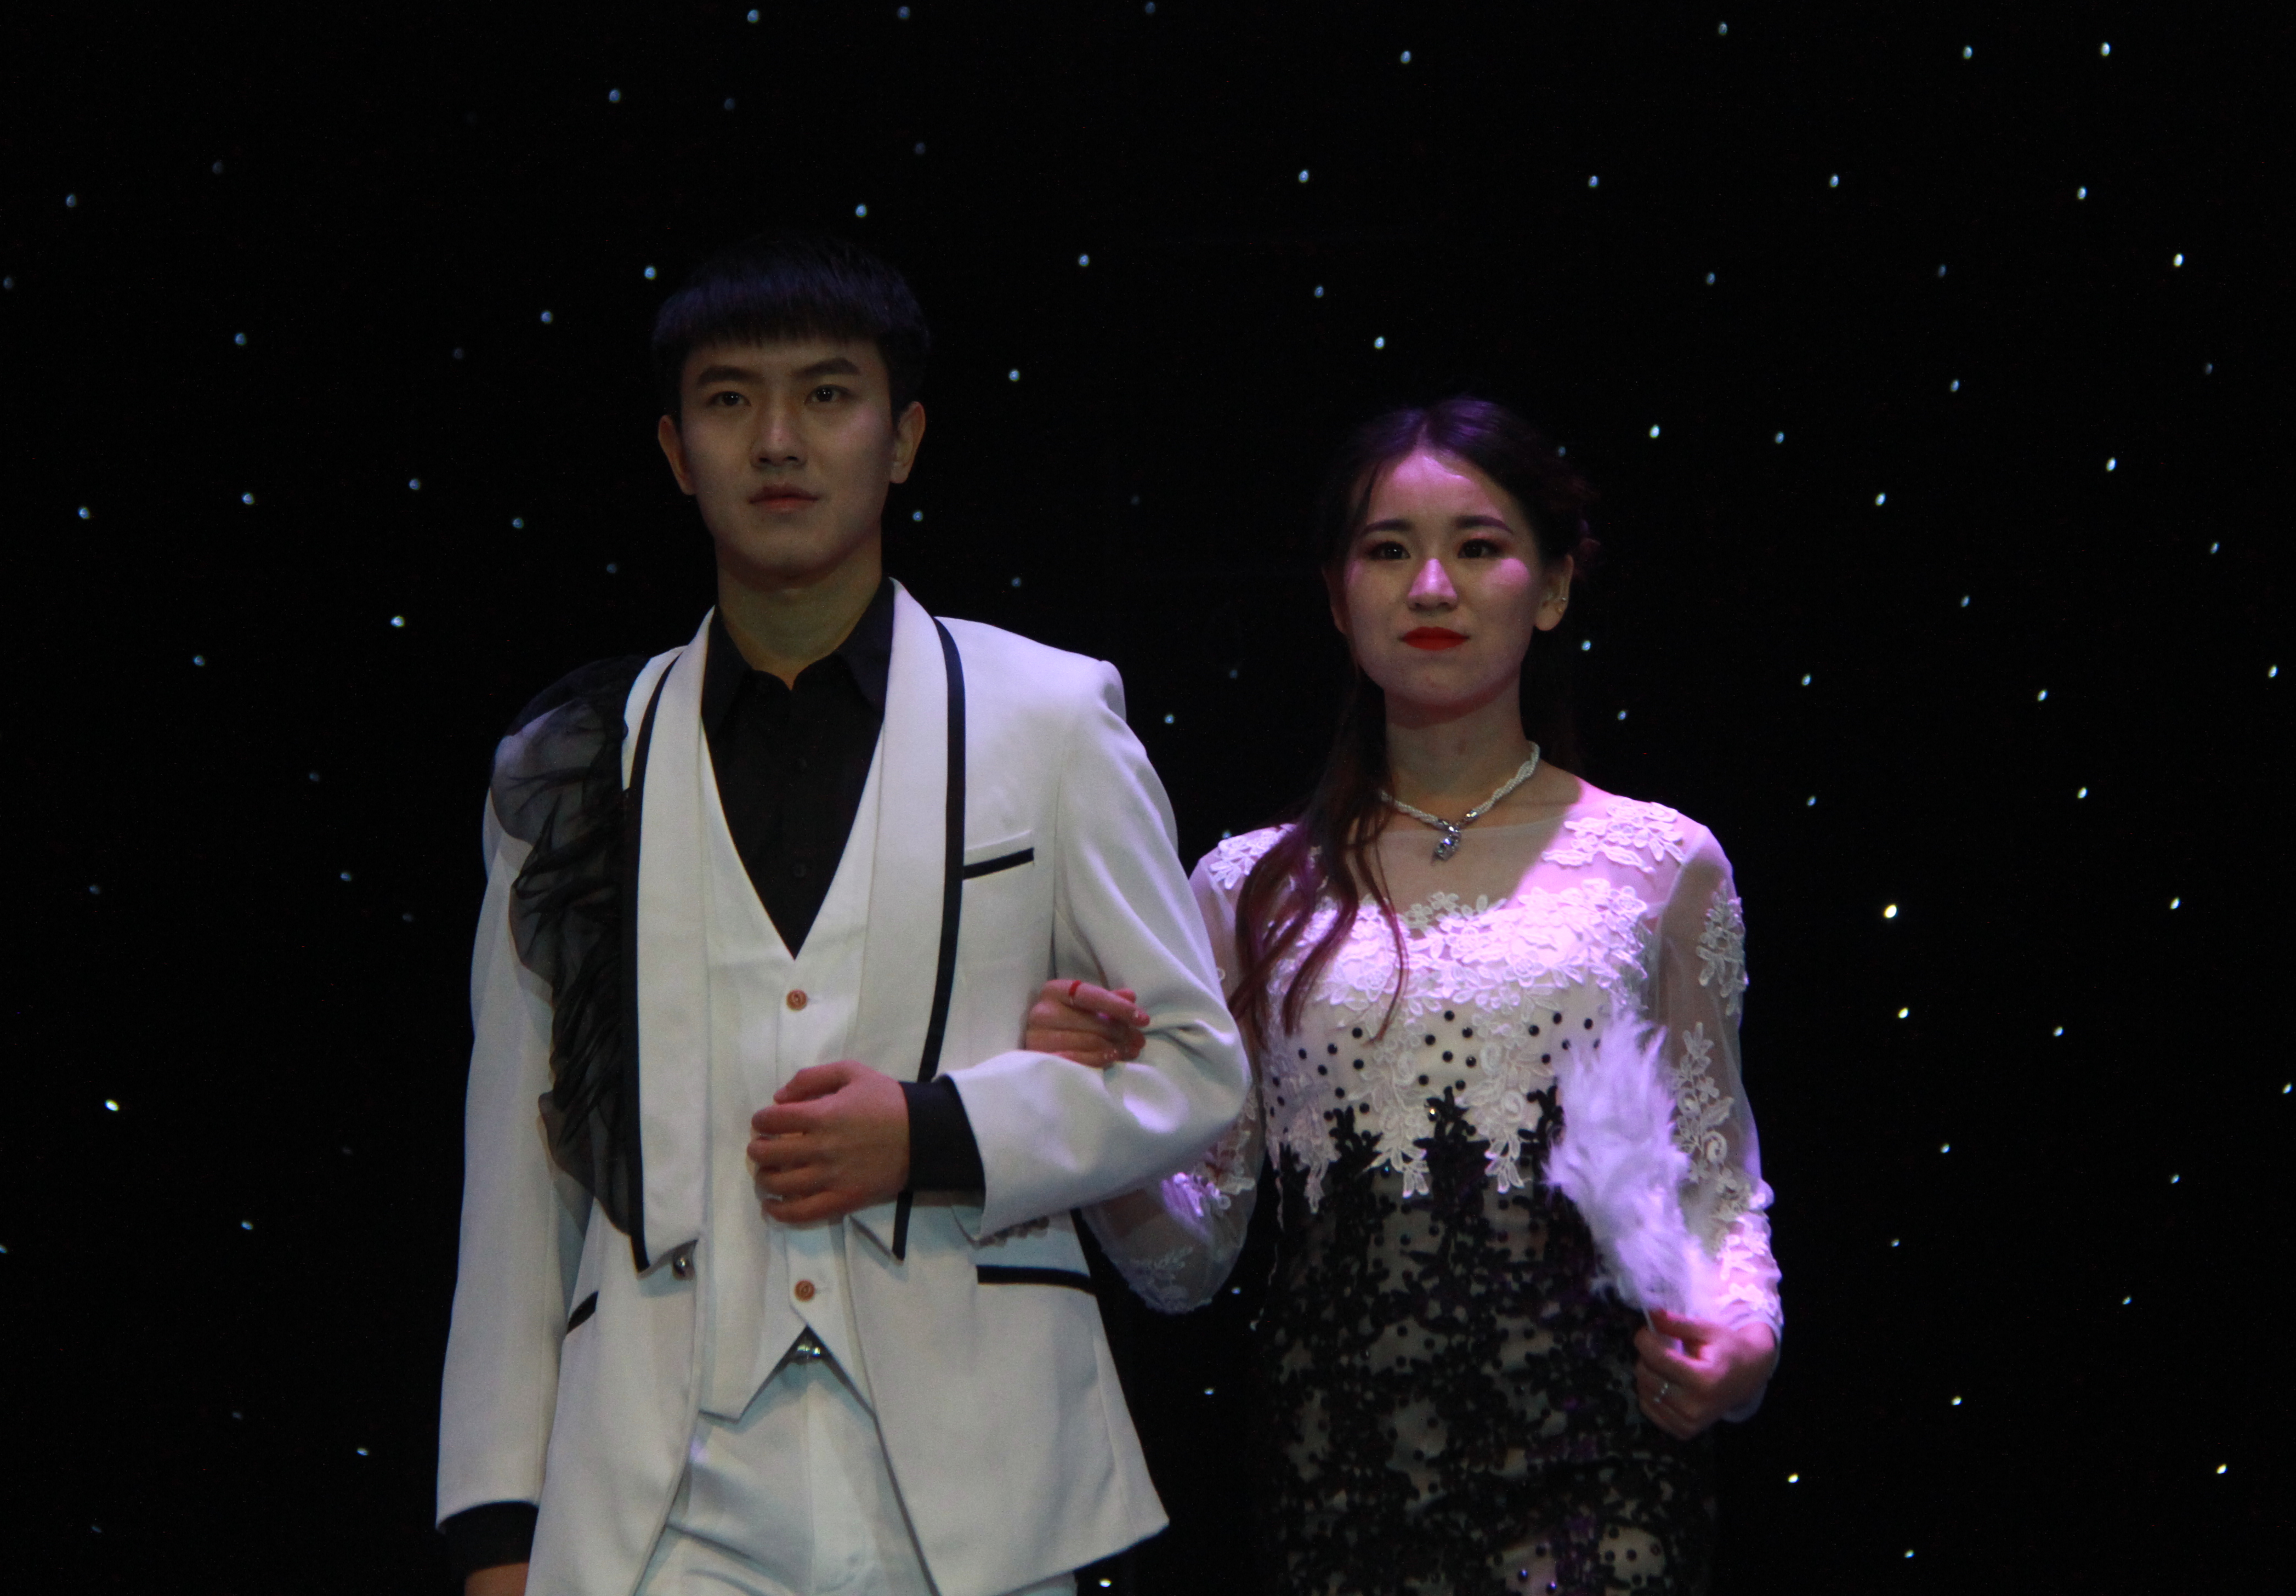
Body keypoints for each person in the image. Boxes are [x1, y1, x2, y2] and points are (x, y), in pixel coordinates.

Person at [435, 234, 1250, 1596]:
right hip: (658, 1487)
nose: (778, 441)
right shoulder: (579, 764)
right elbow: (520, 1170)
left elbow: (1194, 1064)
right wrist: (495, 1522)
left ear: (904, 436)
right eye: (728, 400)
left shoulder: (1049, 720)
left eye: (826, 395)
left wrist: (938, 1130)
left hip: (975, 1484)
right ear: (675, 449)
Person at [1026, 399, 1783, 1595]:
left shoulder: (1660, 863)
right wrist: (1093, 1111)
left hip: (1602, 1464)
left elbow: (1714, 1178)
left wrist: (1744, 1342)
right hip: (1340, 1476)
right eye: (1388, 550)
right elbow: (1192, 1260)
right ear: (1338, 598)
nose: (1433, 586)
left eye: (1478, 547)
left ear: (1552, 588)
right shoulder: (1245, 888)